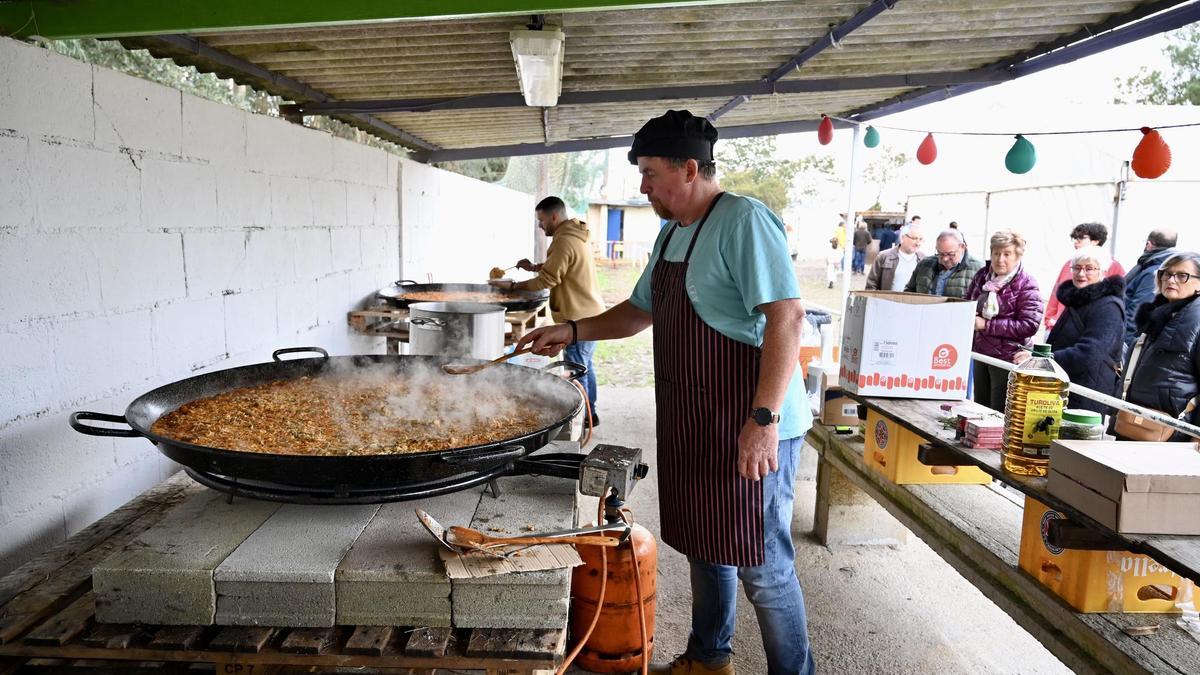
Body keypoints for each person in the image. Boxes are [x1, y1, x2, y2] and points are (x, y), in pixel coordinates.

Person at [515, 110, 814, 675]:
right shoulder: (673, 231)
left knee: (764, 567)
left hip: (752, 418)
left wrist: (764, 419)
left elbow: (787, 318)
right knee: (707, 544)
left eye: (650, 174)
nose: (643, 186)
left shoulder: (743, 221)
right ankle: (709, 658)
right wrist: (572, 331)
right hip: (697, 415)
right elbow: (638, 313)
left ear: (690, 168)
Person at [491, 196, 606, 426]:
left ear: (554, 216)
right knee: (585, 364)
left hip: (578, 316)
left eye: (541, 220)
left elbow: (549, 279)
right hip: (589, 311)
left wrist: (514, 287)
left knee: (578, 367)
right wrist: (533, 267)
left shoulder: (564, 240)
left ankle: (585, 417)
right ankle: (591, 414)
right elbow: (563, 266)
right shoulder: (574, 235)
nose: (540, 225)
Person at [1016, 246, 1124, 414]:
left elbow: (1090, 353)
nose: (1081, 274)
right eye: (1077, 268)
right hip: (1067, 385)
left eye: (1089, 268)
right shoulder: (1078, 298)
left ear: (1102, 271)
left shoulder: (1108, 307)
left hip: (1087, 392)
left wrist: (1044, 360)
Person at [1119, 251, 1200, 439]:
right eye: (1166, 273)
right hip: (1135, 420)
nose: (1171, 280)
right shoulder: (1157, 314)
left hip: (1173, 430)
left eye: (1182, 275)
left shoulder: (1195, 320)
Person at [965, 230, 1044, 412]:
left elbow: (1029, 324)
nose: (1000, 259)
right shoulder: (981, 276)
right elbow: (967, 303)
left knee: (998, 413)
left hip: (1008, 358)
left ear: (1017, 256)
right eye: (996, 253)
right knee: (978, 408)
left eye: (1007, 254)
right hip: (980, 353)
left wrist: (987, 325)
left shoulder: (1027, 283)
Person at [1043, 223, 1126, 330]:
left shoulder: (1113, 266)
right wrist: (1049, 319)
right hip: (1058, 325)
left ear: (1096, 241)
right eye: (1075, 238)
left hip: (1087, 327)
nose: (1076, 241)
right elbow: (1056, 293)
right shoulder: (1069, 263)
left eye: (1081, 238)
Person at [1124, 229, 1179, 348]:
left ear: (1148, 245)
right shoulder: (1160, 267)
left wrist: (1125, 346)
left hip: (1129, 340)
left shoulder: (1153, 272)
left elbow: (1136, 312)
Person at [903, 229, 983, 298]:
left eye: (950, 254)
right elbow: (909, 292)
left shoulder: (979, 269)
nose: (945, 259)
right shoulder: (924, 264)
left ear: (962, 247)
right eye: (940, 253)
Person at [865, 223, 922, 292]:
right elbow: (871, 285)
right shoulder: (883, 256)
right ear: (902, 238)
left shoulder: (924, 260)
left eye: (920, 239)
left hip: (913, 302)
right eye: (914, 238)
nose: (918, 243)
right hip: (887, 302)